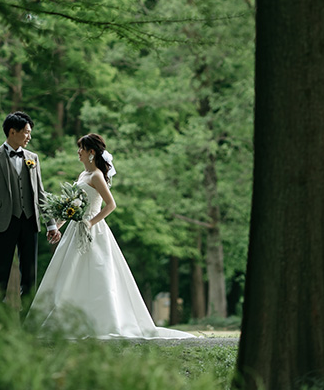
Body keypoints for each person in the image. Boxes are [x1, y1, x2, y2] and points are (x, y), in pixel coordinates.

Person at [27, 133, 197, 339]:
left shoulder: (97, 176)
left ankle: (104, 321)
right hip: (74, 230)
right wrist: (57, 227)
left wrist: (90, 222)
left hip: (93, 230)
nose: (78, 152)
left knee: (99, 273)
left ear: (91, 152)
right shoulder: (82, 176)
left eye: (81, 148)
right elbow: (71, 208)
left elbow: (111, 205)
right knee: (69, 273)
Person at [0, 111, 60, 302]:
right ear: (12, 132)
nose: (29, 137)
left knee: (30, 276)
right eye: (26, 132)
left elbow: (40, 193)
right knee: (0, 273)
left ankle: (27, 321)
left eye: (30, 132)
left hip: (29, 222)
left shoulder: (33, 158)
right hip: (3, 222)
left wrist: (51, 224)